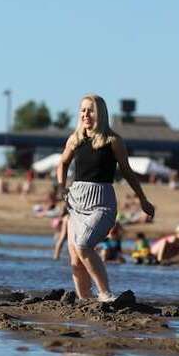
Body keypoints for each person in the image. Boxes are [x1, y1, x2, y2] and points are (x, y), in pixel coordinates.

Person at [56, 95, 154, 301]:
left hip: (101, 203)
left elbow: (127, 172)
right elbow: (62, 164)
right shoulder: (75, 139)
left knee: (83, 245)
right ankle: (85, 300)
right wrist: (61, 187)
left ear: (100, 113)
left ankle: (105, 293)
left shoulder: (113, 141)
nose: (85, 114)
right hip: (76, 202)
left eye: (90, 110)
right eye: (82, 110)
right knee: (75, 257)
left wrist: (143, 200)